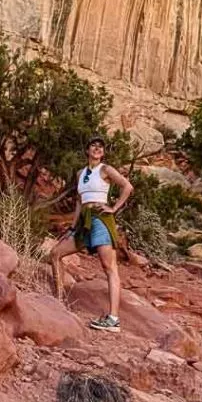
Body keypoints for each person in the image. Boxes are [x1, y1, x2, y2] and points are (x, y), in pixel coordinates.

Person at [50, 135, 133, 332]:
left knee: (109, 266)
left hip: (100, 219)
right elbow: (79, 201)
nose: (97, 149)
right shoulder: (80, 173)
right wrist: (72, 227)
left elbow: (128, 187)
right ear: (87, 150)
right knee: (55, 253)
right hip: (84, 222)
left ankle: (113, 319)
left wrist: (114, 208)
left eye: (100, 147)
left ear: (103, 152)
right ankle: (59, 301)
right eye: (93, 145)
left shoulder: (106, 169)